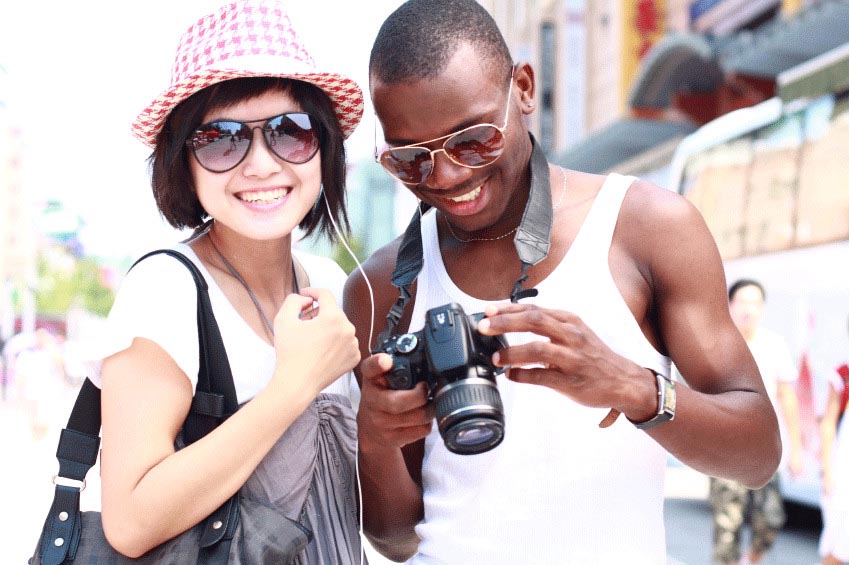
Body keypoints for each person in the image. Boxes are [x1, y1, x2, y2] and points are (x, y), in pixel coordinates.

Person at [342, 1, 782, 562]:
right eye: (410, 160)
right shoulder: (380, 287)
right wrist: (376, 439)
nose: (449, 176)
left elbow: (758, 453)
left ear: (523, 89)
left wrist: (632, 388)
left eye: (473, 139)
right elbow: (398, 539)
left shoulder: (646, 227)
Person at [88, 0, 364, 561]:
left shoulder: (333, 284)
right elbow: (131, 521)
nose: (261, 164)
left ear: (324, 147)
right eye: (221, 139)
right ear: (182, 162)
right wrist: (294, 386)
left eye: (291, 132)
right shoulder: (168, 290)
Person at [708, 279, 804, 565]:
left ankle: (752, 559)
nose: (748, 309)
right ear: (730, 305)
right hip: (724, 450)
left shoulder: (775, 344)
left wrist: (796, 450)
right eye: (742, 302)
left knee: (771, 519)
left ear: (763, 308)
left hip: (764, 448)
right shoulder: (717, 344)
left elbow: (787, 396)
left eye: (755, 302)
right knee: (727, 527)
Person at [819, 316, 849, 565]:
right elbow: (828, 422)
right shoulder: (843, 374)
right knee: (837, 548)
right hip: (843, 471)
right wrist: (827, 470)